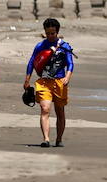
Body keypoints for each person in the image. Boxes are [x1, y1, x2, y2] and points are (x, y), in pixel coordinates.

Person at [23, 17, 76, 148]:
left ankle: (58, 139)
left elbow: (70, 63)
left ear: (57, 32)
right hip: (44, 82)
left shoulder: (65, 46)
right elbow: (32, 62)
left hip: (59, 82)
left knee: (60, 112)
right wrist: (27, 79)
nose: (50, 36)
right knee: (45, 109)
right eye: (48, 33)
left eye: (52, 33)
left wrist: (67, 77)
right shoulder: (40, 46)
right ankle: (46, 139)